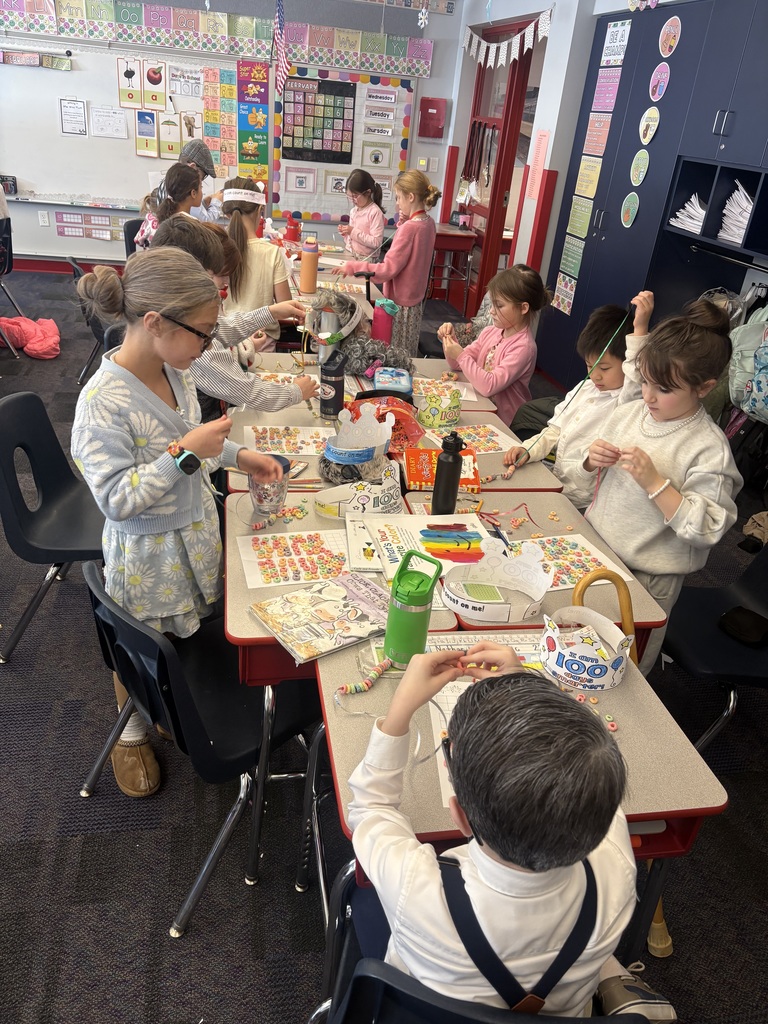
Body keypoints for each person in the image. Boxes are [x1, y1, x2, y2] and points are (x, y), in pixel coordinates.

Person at [348, 649, 676, 1020]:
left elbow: (370, 808)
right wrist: (525, 687)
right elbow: (589, 771)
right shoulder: (617, 871)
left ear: (461, 818)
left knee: (361, 898)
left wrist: (400, 709)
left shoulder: (415, 888)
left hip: (425, 1004)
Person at [71, 247, 283, 798]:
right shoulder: (102, 404)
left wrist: (240, 456)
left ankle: (172, 703)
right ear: (154, 323)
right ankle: (131, 732)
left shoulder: (176, 368)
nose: (210, 346)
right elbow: (117, 499)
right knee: (142, 649)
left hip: (191, 537)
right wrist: (186, 452)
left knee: (187, 632)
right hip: (147, 559)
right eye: (204, 333)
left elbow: (200, 445)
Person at [572, 299, 743, 675]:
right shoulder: (633, 411)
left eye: (663, 388)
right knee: (575, 651)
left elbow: (708, 529)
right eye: (645, 381)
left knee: (622, 672)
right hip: (597, 553)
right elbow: (588, 473)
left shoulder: (707, 447)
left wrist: (655, 483)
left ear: (705, 387)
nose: (648, 395)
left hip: (648, 580)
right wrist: (591, 459)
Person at [150, 216, 318, 422]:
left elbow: (222, 329)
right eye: (220, 274)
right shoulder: (189, 340)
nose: (227, 282)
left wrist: (271, 312)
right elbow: (247, 390)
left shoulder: (184, 321)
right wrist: (295, 392)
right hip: (209, 424)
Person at [502, 294, 653, 507]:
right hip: (558, 484)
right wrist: (528, 450)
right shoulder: (586, 389)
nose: (595, 375)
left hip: (584, 502)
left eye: (605, 368)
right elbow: (554, 431)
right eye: (589, 366)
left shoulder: (628, 402)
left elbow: (636, 374)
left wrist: (640, 330)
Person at [338, 169, 442, 355]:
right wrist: (403, 224)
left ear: (410, 197)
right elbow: (414, 256)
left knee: (393, 354)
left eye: (399, 198)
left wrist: (353, 267)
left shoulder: (410, 229)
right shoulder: (428, 223)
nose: (397, 204)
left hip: (399, 306)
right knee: (406, 352)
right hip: (415, 303)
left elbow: (387, 270)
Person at [439, 264, 551, 425]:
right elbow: (457, 364)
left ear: (523, 308)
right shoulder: (491, 332)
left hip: (503, 421)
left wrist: (460, 354)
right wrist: (450, 340)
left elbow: (488, 386)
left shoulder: (523, 348)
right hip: (481, 407)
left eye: (499, 306)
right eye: (492, 304)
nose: (491, 311)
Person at [221, 176, 292, 350]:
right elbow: (285, 305)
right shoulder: (271, 252)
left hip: (224, 342)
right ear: (260, 210)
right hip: (261, 342)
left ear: (226, 212)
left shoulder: (215, 247)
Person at [134, 140, 224, 249]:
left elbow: (193, 211)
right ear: (192, 167)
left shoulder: (170, 185)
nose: (201, 182)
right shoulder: (188, 229)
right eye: (202, 180)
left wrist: (204, 202)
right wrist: (216, 202)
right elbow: (204, 222)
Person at [338, 168, 386, 260]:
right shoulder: (354, 211)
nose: (352, 200)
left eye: (355, 196)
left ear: (367, 193)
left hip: (366, 259)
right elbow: (353, 239)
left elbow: (376, 243)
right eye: (349, 196)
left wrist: (352, 231)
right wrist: (346, 233)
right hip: (350, 254)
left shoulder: (375, 212)